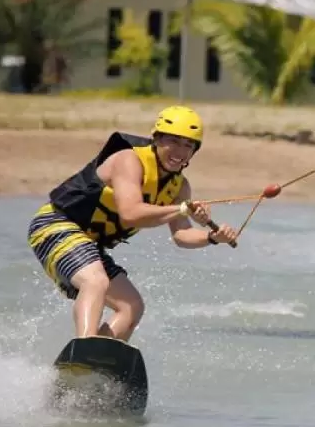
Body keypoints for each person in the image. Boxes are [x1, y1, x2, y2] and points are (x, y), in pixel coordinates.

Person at [27, 105, 238, 342]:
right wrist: (180, 208)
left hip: (87, 243)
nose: (180, 151)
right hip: (56, 224)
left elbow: (182, 235)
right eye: (174, 141)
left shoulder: (180, 187)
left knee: (132, 307)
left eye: (188, 146)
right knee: (95, 281)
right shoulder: (129, 160)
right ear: (157, 139)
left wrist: (211, 237)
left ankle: (95, 361)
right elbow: (130, 213)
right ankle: (85, 346)